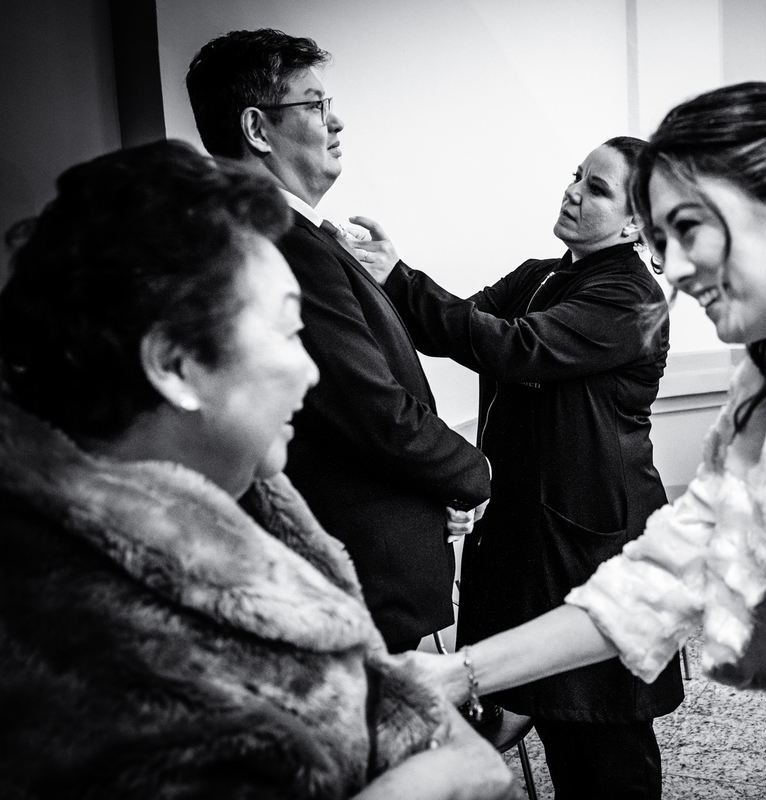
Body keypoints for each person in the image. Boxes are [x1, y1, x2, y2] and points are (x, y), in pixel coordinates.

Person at [411, 82, 766, 800]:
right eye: (662, 237)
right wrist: (462, 672)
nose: (678, 269)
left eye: (689, 229)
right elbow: (664, 577)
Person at [0, 140, 516, 799]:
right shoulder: (89, 653)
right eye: (286, 331)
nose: (309, 370)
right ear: (177, 363)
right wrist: (440, 778)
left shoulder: (250, 510)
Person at [357, 137, 684, 800]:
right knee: (546, 696)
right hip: (525, 525)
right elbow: (453, 325)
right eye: (575, 176)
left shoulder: (631, 298)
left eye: (595, 187)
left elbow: (513, 348)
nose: (571, 192)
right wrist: (365, 277)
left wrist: (400, 277)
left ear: (633, 223)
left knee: (601, 723)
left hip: (593, 537)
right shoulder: (542, 273)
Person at [185, 29, 491, 654]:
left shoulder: (287, 231)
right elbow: (364, 401)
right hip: (353, 553)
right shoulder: (285, 239)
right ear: (257, 127)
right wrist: (471, 469)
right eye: (315, 104)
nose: (336, 121)